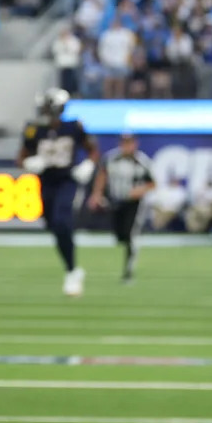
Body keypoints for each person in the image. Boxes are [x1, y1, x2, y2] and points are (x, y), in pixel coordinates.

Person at [17, 88, 98, 296]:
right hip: (46, 182)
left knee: (62, 221)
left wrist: (87, 164)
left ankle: (71, 271)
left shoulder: (73, 127)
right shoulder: (34, 129)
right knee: (53, 225)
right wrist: (28, 163)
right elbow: (21, 157)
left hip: (66, 180)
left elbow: (93, 150)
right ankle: (73, 269)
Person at [87, 132, 155, 282]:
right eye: (124, 143)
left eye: (129, 143)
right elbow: (102, 175)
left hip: (134, 203)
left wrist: (138, 191)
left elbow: (152, 183)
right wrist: (96, 194)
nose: (126, 146)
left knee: (131, 235)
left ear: (135, 144)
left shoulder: (142, 161)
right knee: (120, 235)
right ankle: (128, 259)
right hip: (116, 200)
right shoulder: (111, 158)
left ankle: (128, 271)